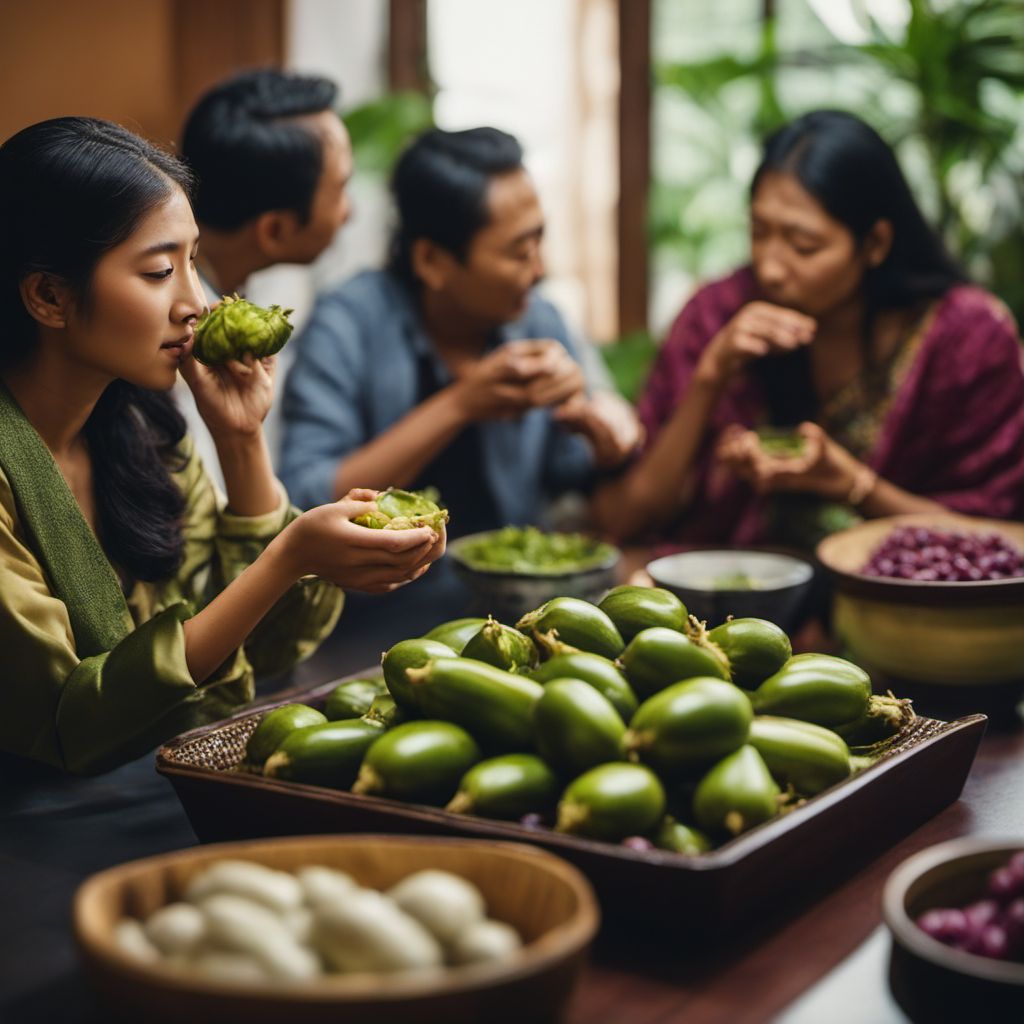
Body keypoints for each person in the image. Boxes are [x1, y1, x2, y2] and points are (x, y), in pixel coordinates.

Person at [0, 117, 443, 775]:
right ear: (49, 296)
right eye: (158, 272)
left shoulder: (140, 432)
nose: (197, 303)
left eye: (191, 262)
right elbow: (70, 722)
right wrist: (286, 557)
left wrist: (241, 443)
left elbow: (267, 647)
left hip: (170, 779)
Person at [593, 109, 1024, 549]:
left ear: (875, 243)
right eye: (758, 232)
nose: (770, 267)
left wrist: (853, 485)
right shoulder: (719, 311)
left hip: (904, 608)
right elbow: (628, 516)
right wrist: (710, 377)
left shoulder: (968, 339)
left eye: (804, 246)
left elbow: (998, 539)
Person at [278, 126, 640, 537]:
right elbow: (306, 498)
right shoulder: (346, 325)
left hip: (522, 592)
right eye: (519, 252)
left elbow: (581, 481)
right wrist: (462, 404)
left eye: (540, 240)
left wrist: (603, 438)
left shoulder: (538, 320)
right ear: (431, 261)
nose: (539, 270)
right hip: (389, 598)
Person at [178, 68, 352, 481]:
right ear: (274, 231)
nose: (350, 213)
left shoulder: (247, 286)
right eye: (342, 189)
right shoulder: (181, 344)